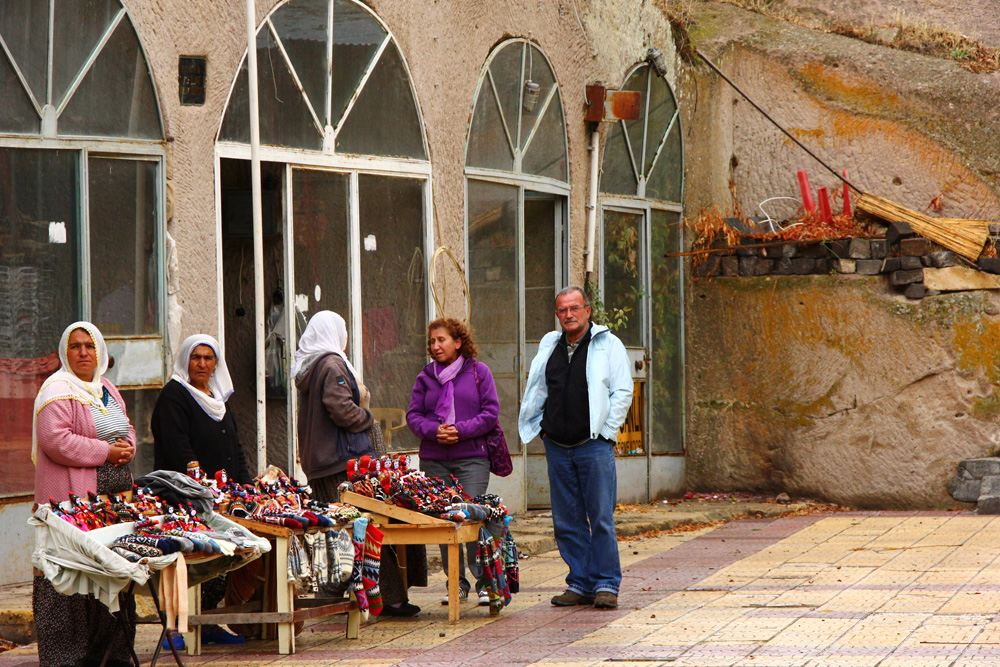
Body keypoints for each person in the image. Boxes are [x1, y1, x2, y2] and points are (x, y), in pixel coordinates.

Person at [294, 310, 425, 616]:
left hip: (322, 461)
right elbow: (341, 409)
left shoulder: (311, 365)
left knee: (339, 531)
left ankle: (342, 599)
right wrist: (367, 416)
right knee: (363, 528)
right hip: (341, 462)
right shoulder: (332, 363)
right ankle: (390, 598)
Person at [518, 286, 633, 610]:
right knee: (566, 519)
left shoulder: (608, 344)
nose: (569, 315)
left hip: (593, 446)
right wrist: (542, 430)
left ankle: (606, 584)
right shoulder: (550, 346)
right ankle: (579, 583)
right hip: (557, 446)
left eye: (574, 308)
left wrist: (607, 433)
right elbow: (538, 390)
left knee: (600, 517)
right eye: (562, 310)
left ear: (587, 310)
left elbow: (623, 391)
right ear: (558, 315)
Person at [32, 322, 138, 667]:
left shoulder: (106, 387)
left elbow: (126, 426)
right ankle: (67, 658)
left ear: (100, 352)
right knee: (70, 579)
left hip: (113, 504)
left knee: (110, 576)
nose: (82, 353)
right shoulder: (57, 391)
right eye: (75, 346)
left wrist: (128, 448)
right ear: (65, 352)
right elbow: (56, 440)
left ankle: (111, 655)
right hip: (72, 501)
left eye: (89, 346)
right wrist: (106, 453)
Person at [151, 334, 249, 646]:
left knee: (216, 560)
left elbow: (235, 446)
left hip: (219, 498)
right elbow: (178, 448)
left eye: (209, 358)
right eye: (196, 357)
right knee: (186, 561)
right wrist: (200, 488)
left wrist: (245, 486)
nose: (202, 364)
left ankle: (205, 621)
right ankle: (174, 628)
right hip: (183, 497)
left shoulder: (218, 400)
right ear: (185, 361)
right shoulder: (174, 397)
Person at [407, 318, 499, 606]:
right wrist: (433, 431)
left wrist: (461, 430)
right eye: (432, 341)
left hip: (471, 457)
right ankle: (455, 582)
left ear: (458, 342)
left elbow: (490, 412)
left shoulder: (478, 373)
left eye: (441, 340)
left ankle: (484, 580)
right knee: (444, 520)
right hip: (435, 459)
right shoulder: (426, 377)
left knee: (472, 515)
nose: (435, 346)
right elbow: (413, 415)